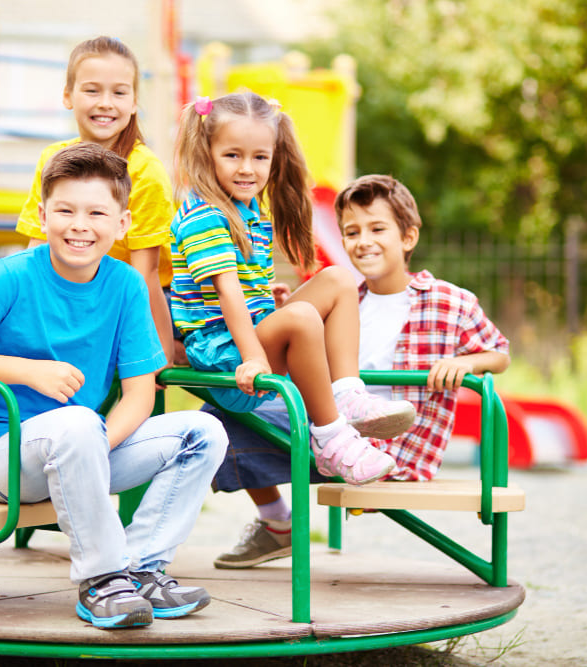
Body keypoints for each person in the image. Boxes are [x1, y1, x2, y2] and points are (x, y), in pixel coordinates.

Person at [0, 142, 228, 629]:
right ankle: (101, 580)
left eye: (96, 212)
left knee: (204, 431)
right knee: (81, 422)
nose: (80, 224)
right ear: (42, 216)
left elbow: (140, 394)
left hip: (87, 443)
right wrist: (27, 370)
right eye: (65, 210)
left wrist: (93, 446)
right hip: (4, 457)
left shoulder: (125, 285)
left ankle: (142, 568)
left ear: (122, 224)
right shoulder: (12, 275)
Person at [210, 174, 511, 569]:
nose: (362, 240)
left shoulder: (449, 301)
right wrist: (283, 313)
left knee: (226, 421)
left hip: (396, 441)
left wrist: (464, 362)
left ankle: (289, 508)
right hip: (334, 431)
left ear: (408, 238)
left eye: (377, 229)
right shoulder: (347, 300)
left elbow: (499, 354)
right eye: (351, 232)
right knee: (215, 422)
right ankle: (277, 523)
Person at [169, 92, 416, 490]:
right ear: (207, 152)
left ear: (274, 155)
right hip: (226, 361)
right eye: (232, 155)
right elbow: (227, 292)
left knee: (338, 280)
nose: (247, 168)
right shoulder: (204, 216)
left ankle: (348, 393)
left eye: (259, 157)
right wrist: (253, 356)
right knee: (301, 318)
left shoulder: (248, 212)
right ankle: (331, 439)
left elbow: (241, 291)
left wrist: (270, 304)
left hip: (245, 340)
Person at [15, 36, 176, 364]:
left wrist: (158, 350)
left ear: (133, 103)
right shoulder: (53, 159)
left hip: (128, 296)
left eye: (119, 92)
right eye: (92, 90)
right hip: (73, 287)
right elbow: (36, 249)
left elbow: (145, 274)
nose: (106, 103)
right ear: (68, 96)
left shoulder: (145, 169)